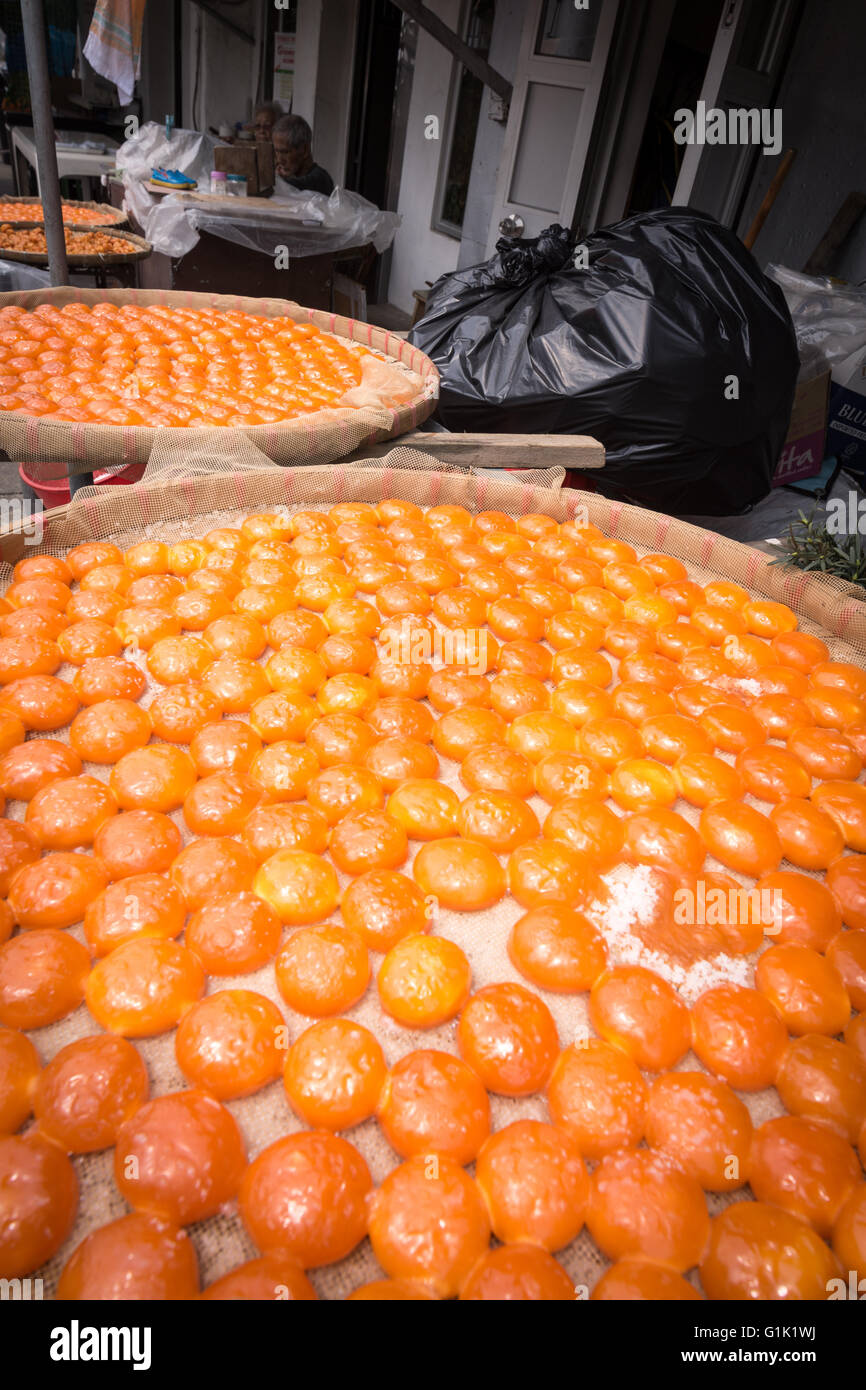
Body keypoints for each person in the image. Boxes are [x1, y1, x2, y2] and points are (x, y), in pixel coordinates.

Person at [272, 115, 334, 196]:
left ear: (304, 150)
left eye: (285, 152)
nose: (280, 160)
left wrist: (279, 179)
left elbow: (294, 186)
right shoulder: (292, 175)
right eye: (277, 151)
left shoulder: (320, 179)